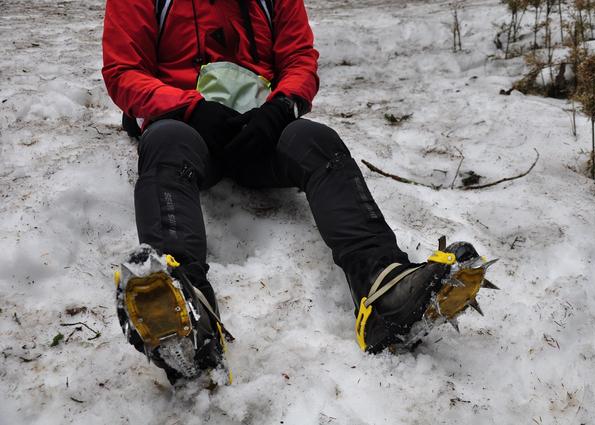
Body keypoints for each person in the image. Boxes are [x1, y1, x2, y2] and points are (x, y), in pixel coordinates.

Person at [102, 0, 494, 384]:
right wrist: (188, 108)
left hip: (259, 132)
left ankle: (383, 287)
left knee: (316, 139)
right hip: (185, 127)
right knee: (166, 143)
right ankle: (183, 310)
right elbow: (123, 71)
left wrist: (282, 107)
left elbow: (299, 60)